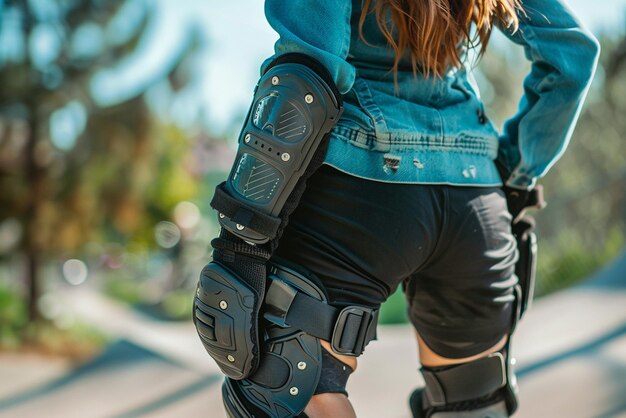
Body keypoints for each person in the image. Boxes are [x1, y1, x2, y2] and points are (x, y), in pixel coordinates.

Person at [192, 0, 600, 417]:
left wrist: (241, 240)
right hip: (476, 201)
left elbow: (306, 69)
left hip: (360, 192)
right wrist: (511, 173)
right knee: (474, 402)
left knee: (292, 390)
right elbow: (572, 57)